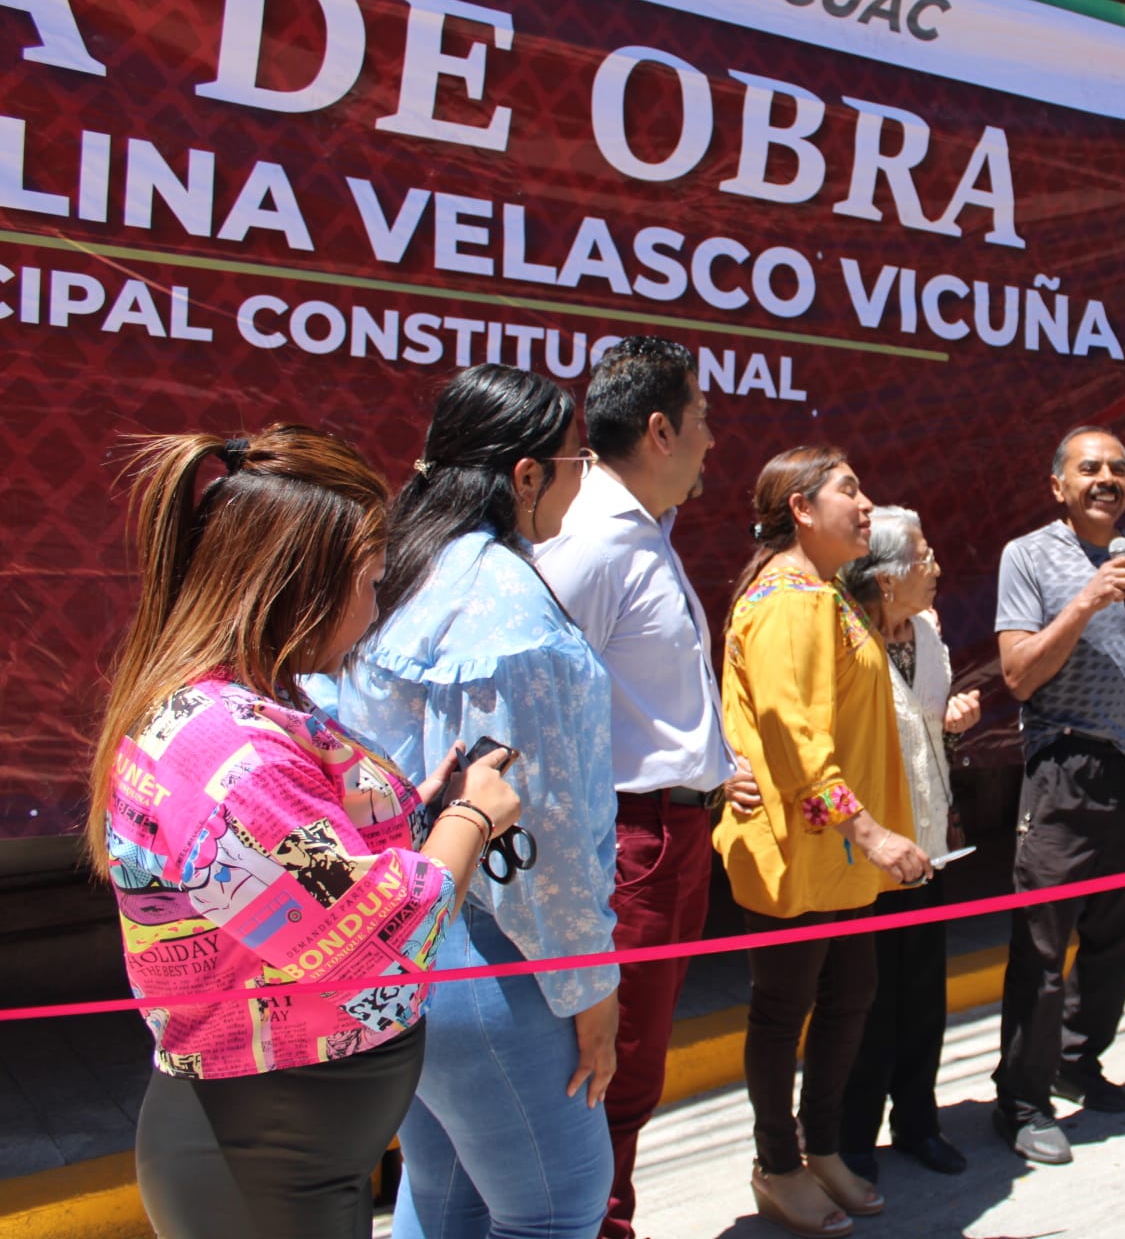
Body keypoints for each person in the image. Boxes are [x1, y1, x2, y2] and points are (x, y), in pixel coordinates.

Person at [92, 427, 522, 1239]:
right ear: (301, 587)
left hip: (284, 1151)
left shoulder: (245, 704)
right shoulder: (233, 753)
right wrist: (473, 816)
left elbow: (308, 857)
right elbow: (379, 938)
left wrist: (422, 808)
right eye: (368, 580)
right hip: (261, 1164)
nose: (375, 605)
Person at [327, 365, 621, 1239]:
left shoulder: (401, 575)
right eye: (575, 460)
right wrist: (592, 994)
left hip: (409, 946)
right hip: (495, 959)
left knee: (446, 1196)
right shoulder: (509, 613)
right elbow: (537, 849)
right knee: (559, 1208)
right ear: (524, 476)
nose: (584, 478)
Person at [533, 336, 747, 1239]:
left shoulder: (644, 536)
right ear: (659, 430)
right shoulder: (591, 546)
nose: (712, 444)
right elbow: (533, 702)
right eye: (702, 422)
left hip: (671, 836)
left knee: (633, 1064)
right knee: (607, 1068)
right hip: (628, 841)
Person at [714, 447, 929, 1239]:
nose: (866, 503)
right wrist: (867, 830)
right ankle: (778, 1166)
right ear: (801, 508)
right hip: (802, 851)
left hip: (834, 858)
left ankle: (824, 1148)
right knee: (785, 1010)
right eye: (850, 490)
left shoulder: (823, 594)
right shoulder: (788, 601)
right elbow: (793, 734)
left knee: (849, 998)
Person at [993, 426, 1125, 1165]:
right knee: (1041, 945)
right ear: (1058, 485)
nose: (1107, 478)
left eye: (1119, 469)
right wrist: (1084, 602)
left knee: (1118, 941)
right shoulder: (1027, 556)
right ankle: (1023, 1101)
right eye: (1090, 468)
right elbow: (1017, 675)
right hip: (1065, 767)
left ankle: (1078, 1059)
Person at [835, 507, 981, 1182]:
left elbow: (928, 732)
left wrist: (954, 720)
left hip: (928, 845)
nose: (937, 568)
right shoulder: (842, 640)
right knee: (867, 1001)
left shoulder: (927, 633)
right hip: (868, 855)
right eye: (924, 557)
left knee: (923, 995)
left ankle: (918, 1121)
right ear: (888, 579)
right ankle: (853, 1139)